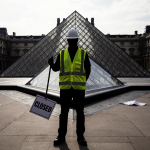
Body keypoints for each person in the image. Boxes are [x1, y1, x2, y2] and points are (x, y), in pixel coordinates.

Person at [48, 28, 91, 146]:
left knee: (80, 113)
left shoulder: (83, 53)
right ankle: (61, 136)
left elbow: (88, 69)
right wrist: (51, 64)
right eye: (70, 40)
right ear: (68, 40)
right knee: (64, 113)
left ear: (76, 40)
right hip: (66, 88)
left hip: (78, 88)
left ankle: (80, 136)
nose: (71, 42)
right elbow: (56, 68)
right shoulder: (61, 53)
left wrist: (82, 81)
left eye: (73, 40)